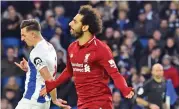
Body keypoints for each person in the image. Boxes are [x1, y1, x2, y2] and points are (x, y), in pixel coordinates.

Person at [40, 5, 134, 109]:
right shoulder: (72, 47)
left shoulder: (101, 49)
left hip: (100, 103)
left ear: (85, 27)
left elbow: (115, 74)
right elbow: (69, 71)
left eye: (75, 22)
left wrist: (125, 89)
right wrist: (52, 84)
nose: (70, 23)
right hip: (82, 103)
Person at [14, 19, 70, 109]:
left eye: (24, 35)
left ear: (32, 34)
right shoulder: (50, 46)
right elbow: (47, 70)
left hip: (32, 101)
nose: (22, 39)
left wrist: (55, 99)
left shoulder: (36, 52)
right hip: (43, 101)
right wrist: (30, 69)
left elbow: (48, 78)